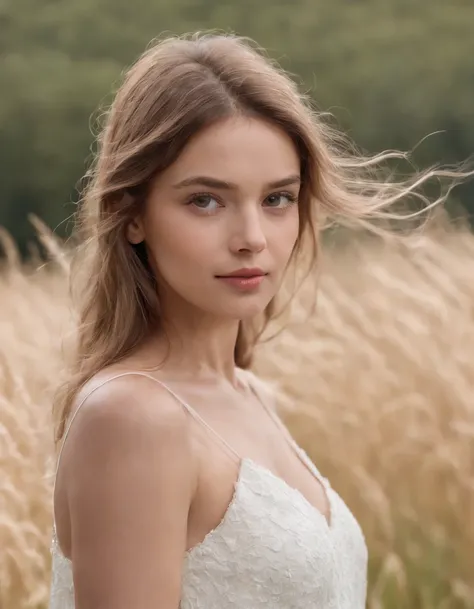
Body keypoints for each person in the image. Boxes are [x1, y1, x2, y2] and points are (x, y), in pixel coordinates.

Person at [48, 32, 467, 609]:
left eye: (277, 199)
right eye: (205, 200)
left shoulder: (249, 393)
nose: (252, 239)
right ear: (133, 214)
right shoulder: (133, 418)